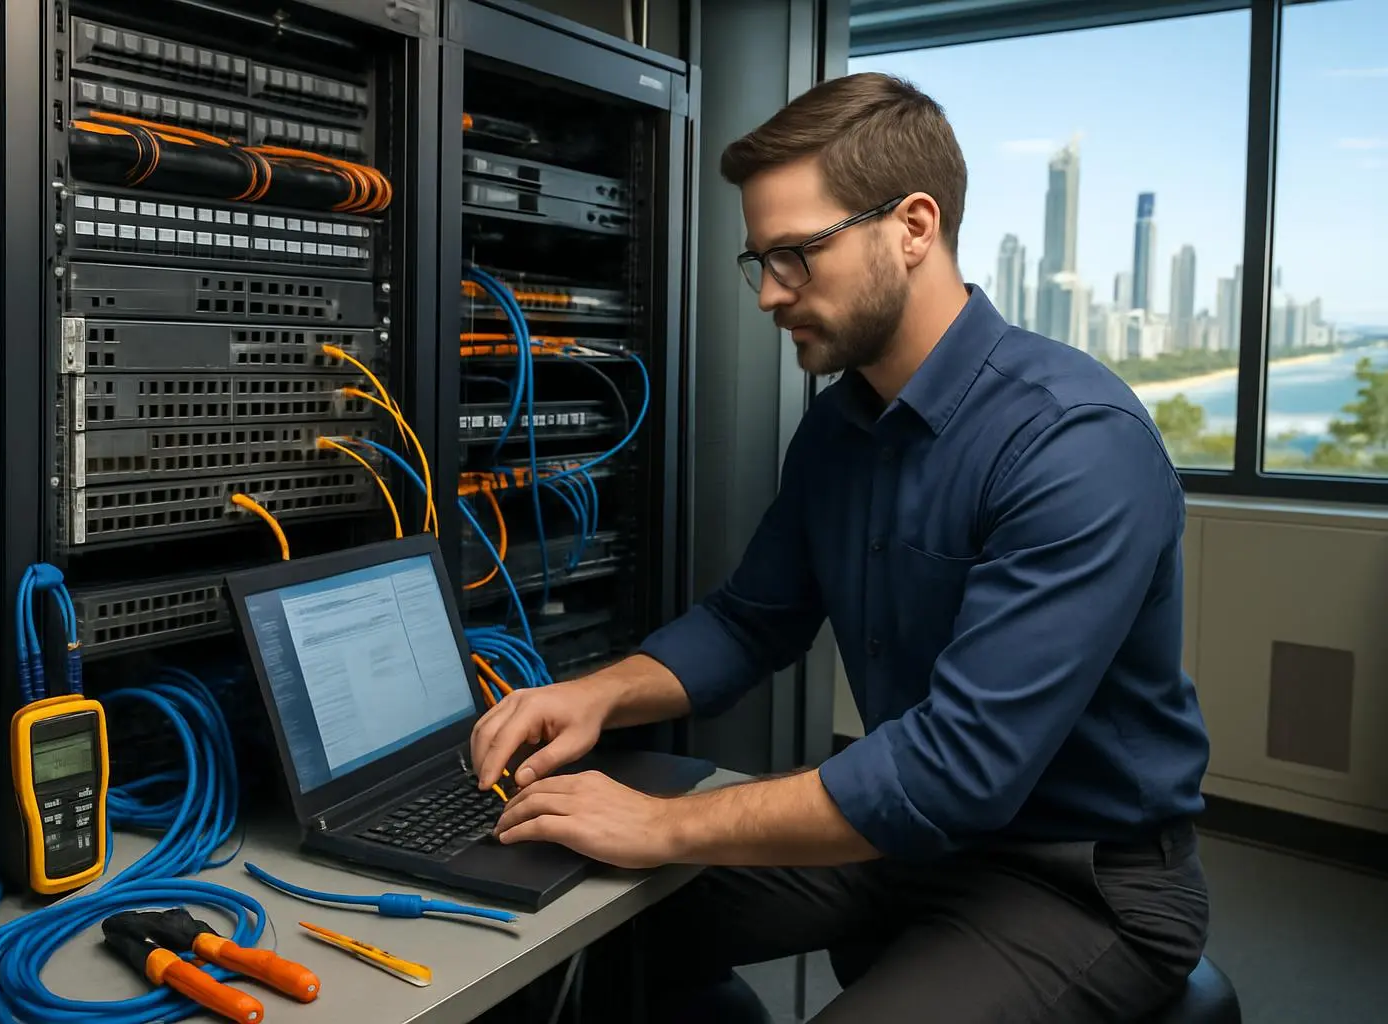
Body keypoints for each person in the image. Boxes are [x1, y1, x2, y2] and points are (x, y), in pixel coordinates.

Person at [470, 71, 1212, 1023]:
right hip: (910, 840)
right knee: (572, 938)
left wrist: (662, 821)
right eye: (760, 262)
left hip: (1080, 880)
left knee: (642, 857)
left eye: (797, 256)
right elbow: (751, 622)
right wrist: (591, 695)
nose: (770, 295)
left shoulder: (1073, 442)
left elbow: (956, 768)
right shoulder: (837, 429)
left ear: (912, 227)